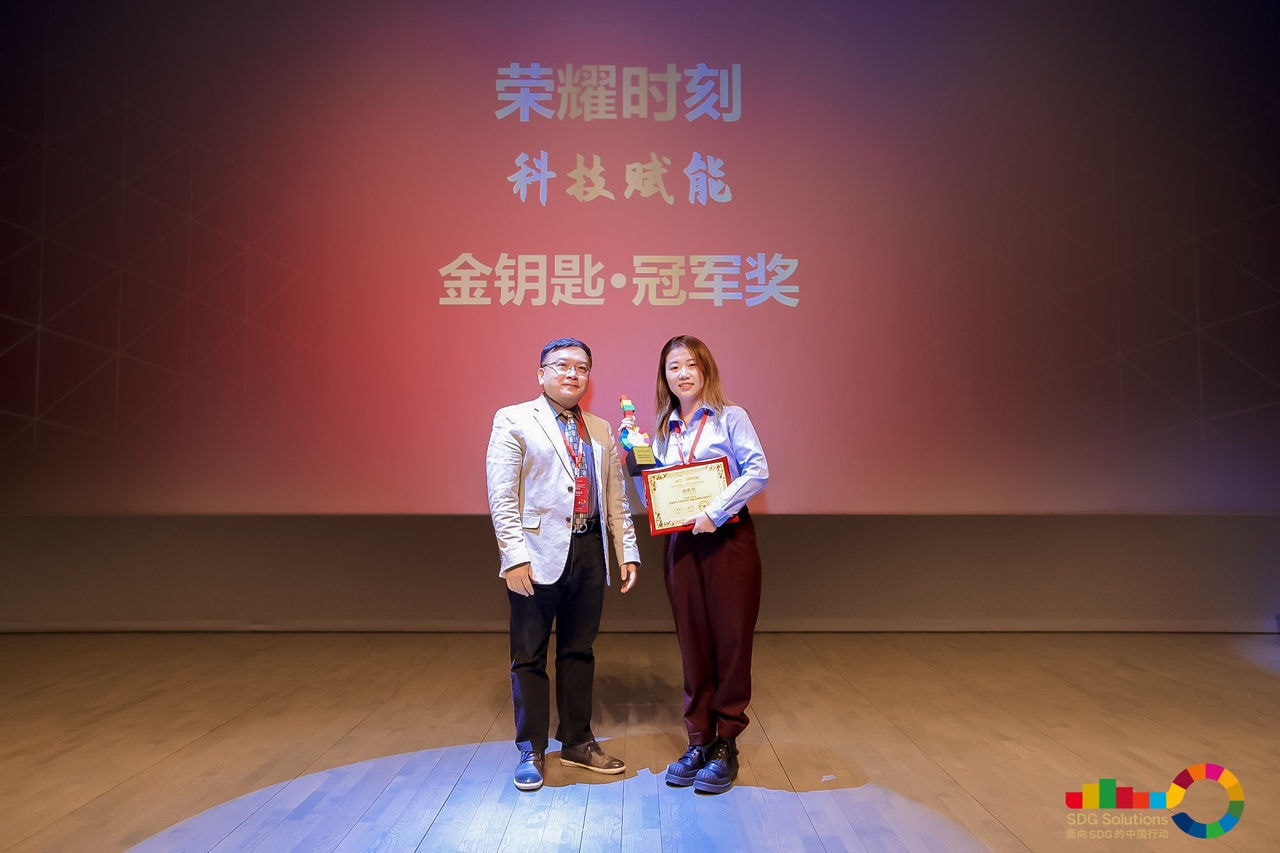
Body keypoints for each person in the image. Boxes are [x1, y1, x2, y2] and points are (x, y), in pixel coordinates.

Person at [485, 337, 641, 792]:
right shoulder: (513, 419)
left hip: (589, 551)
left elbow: (614, 496)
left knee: (580, 651)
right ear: (541, 373)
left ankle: (576, 740)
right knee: (529, 655)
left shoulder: (601, 427)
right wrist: (512, 556)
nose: (573, 374)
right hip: (534, 554)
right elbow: (502, 496)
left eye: (582, 367)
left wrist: (626, 548)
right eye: (562, 365)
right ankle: (530, 749)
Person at [621, 334, 768, 795]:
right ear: (664, 376)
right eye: (672, 367)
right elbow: (655, 496)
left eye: (689, 365)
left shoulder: (731, 417)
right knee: (693, 642)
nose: (681, 373)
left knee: (731, 640)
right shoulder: (661, 429)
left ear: (705, 370)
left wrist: (714, 512)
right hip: (681, 546)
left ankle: (726, 741)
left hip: (728, 540)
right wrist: (638, 465)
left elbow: (757, 469)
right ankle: (698, 740)